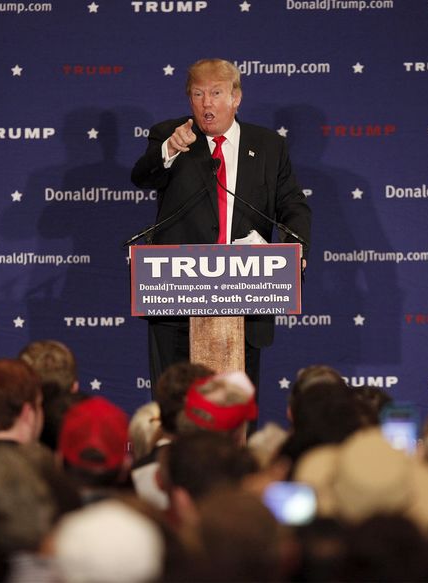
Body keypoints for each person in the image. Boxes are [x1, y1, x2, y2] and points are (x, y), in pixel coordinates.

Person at [131, 58, 312, 393]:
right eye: (198, 94)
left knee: (237, 409)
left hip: (246, 295)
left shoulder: (269, 146)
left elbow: (292, 206)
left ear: (236, 97)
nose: (206, 103)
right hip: (177, 299)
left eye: (216, 93)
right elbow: (142, 177)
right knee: (175, 405)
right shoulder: (171, 136)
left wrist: (296, 247)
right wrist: (170, 149)